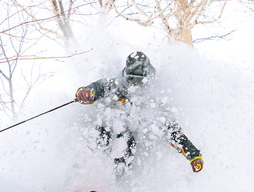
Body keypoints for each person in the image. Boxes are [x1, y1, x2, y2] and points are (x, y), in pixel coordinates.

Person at [74, 51, 204, 174]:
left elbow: (171, 130)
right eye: (132, 80)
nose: (136, 84)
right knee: (99, 134)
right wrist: (87, 92)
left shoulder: (154, 101)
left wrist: (193, 155)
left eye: (140, 80)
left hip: (126, 144)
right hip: (105, 133)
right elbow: (98, 87)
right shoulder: (114, 85)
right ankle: (80, 177)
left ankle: (108, 187)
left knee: (126, 143)